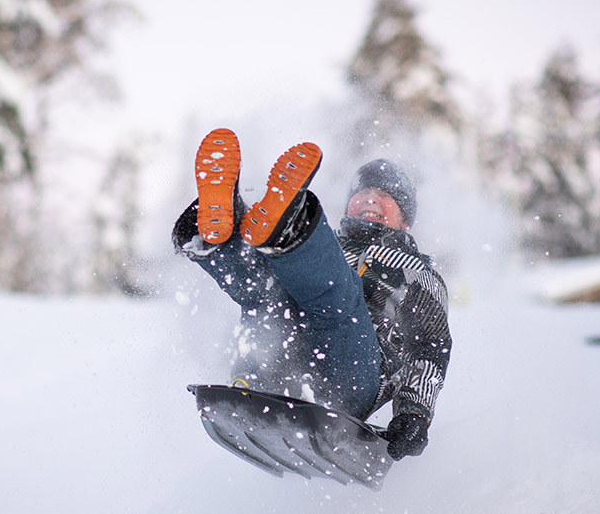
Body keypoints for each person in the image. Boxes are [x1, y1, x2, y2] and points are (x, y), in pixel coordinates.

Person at [172, 128, 452, 460]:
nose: (371, 199)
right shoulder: (329, 244)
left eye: (386, 195)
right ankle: (222, 229)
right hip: (279, 362)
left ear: (405, 220)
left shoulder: (417, 272)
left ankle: (288, 228)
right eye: (362, 192)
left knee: (336, 299)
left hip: (355, 370)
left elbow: (430, 349)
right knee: (266, 293)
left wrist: (414, 413)